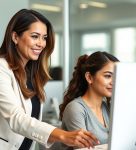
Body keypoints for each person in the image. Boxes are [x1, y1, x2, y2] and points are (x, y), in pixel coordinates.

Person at [0, 9, 99, 150]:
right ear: (15, 37)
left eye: (44, 37)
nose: (41, 43)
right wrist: (62, 135)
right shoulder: (1, 68)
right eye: (35, 36)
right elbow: (16, 118)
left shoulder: (32, 74)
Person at [59, 51, 119, 149]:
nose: (113, 82)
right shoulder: (76, 108)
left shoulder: (107, 106)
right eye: (108, 76)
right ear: (89, 77)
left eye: (116, 76)